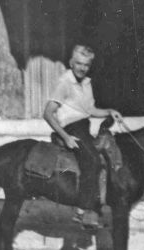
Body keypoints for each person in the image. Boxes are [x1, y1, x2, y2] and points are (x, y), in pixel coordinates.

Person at [43, 44, 123, 229]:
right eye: (78, 63)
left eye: (86, 65)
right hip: (71, 129)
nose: (82, 68)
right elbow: (48, 113)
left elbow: (90, 110)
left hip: (84, 128)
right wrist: (66, 137)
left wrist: (110, 111)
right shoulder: (65, 82)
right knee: (92, 161)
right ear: (71, 63)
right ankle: (83, 211)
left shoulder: (87, 83)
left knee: (105, 155)